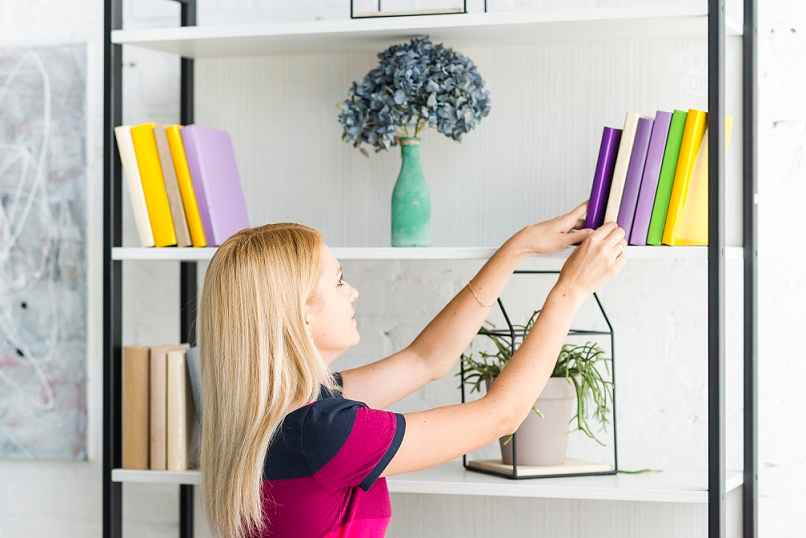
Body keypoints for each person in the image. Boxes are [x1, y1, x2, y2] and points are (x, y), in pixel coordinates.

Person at [198, 202, 626, 538]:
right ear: (300, 314)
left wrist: (519, 248)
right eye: (340, 281)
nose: (354, 293)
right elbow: (502, 415)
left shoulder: (284, 414)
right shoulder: (326, 432)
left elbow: (426, 359)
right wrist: (570, 291)